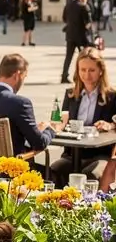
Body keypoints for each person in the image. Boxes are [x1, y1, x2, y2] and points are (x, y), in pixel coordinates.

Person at [50, 48, 116, 190]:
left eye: (91, 70)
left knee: (91, 175)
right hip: (72, 154)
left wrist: (110, 125)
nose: (87, 75)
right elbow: (62, 121)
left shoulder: (112, 96)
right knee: (53, 172)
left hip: (100, 154)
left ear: (101, 71)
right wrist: (58, 124)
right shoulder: (71, 95)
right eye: (83, 70)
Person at [0, 54, 55, 159]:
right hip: (15, 169)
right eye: (24, 77)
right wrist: (50, 130)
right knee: (59, 173)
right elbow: (39, 143)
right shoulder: (20, 103)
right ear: (17, 75)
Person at [61, 0, 94, 84]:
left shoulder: (68, 5)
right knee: (84, 57)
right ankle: (80, 76)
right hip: (81, 36)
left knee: (68, 56)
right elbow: (88, 24)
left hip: (70, 35)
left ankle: (64, 75)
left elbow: (64, 19)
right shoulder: (83, 6)